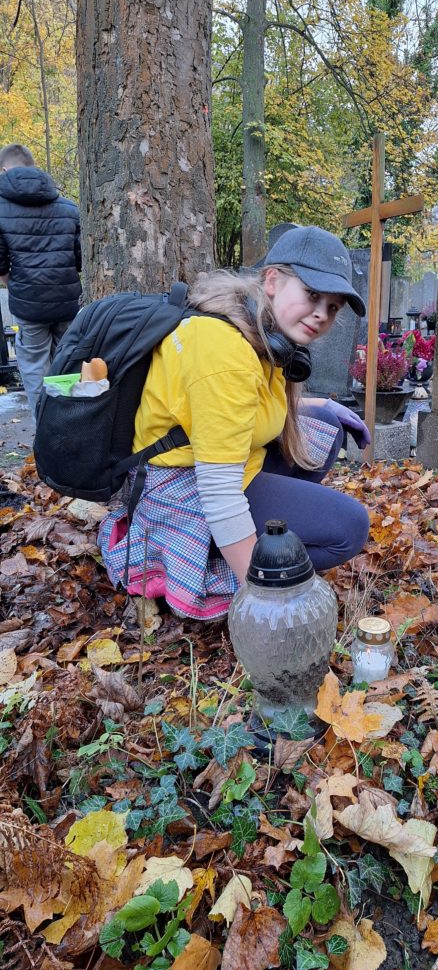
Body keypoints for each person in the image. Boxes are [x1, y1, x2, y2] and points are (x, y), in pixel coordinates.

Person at [98, 225, 371, 620]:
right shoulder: (224, 352)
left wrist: (321, 405)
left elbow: (243, 405)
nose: (322, 314)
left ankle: (259, 538)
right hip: (181, 491)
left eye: (332, 307)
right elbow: (220, 495)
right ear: (273, 280)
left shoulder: (254, 328)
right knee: (349, 528)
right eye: (313, 295)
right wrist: (264, 603)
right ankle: (218, 565)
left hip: (214, 465)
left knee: (324, 429)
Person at [0, 143, 82, 415]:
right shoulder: (69, 208)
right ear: (34, 167)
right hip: (67, 303)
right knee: (67, 367)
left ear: (4, 170)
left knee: (35, 371)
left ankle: (45, 440)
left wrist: (13, 284)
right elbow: (80, 258)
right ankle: (72, 427)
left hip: (29, 306)